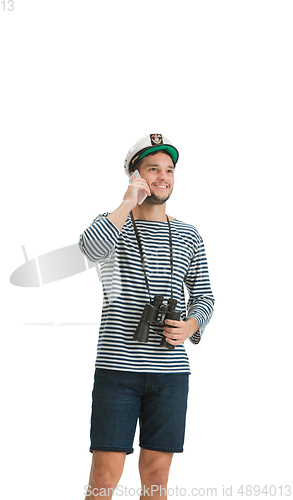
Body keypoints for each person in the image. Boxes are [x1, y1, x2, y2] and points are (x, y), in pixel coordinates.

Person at [79, 133, 215, 499]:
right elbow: (88, 250)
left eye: (169, 170)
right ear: (135, 175)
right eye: (152, 169)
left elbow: (204, 297)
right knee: (104, 478)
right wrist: (126, 203)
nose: (163, 177)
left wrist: (190, 325)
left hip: (170, 374)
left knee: (157, 478)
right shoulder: (113, 224)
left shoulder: (189, 234)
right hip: (118, 368)